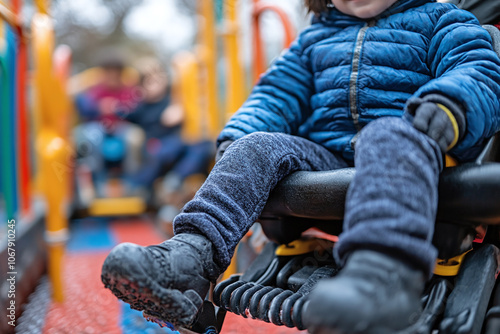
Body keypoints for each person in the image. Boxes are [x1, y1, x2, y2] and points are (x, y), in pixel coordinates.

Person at [101, 0, 500, 333]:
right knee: (255, 145)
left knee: (387, 133)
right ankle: (190, 261)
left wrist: (447, 105)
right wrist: (237, 137)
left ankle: (381, 277)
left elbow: (478, 71)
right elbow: (275, 96)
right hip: (328, 156)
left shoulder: (442, 20)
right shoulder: (314, 39)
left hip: (412, 147)